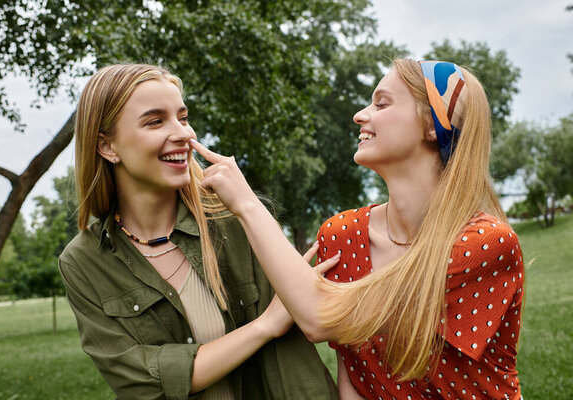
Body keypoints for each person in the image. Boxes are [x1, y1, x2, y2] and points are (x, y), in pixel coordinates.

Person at [189, 58, 525, 399]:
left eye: (381, 103)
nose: (360, 115)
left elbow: (319, 317)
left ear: (431, 124)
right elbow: (354, 374)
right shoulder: (342, 234)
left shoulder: (486, 243)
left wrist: (248, 205)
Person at [58, 63, 340, 400]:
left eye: (182, 117)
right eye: (155, 121)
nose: (183, 133)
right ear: (108, 147)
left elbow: (315, 327)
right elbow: (141, 382)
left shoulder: (236, 220)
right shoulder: (84, 261)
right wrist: (265, 326)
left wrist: (249, 206)